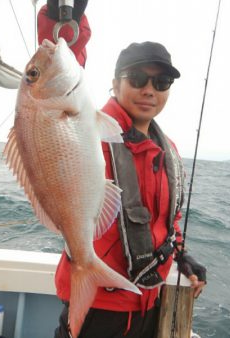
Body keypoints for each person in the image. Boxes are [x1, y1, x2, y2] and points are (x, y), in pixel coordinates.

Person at [38, 2, 207, 338]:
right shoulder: (89, 128)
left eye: (161, 83)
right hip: (98, 309)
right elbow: (55, 82)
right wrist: (60, 23)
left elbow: (168, 219)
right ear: (114, 84)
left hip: (149, 302)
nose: (149, 90)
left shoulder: (167, 149)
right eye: (138, 78)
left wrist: (181, 254)